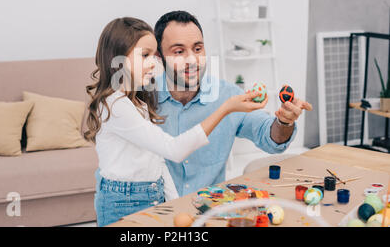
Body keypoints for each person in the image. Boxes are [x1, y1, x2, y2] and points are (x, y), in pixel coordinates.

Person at [85, 17, 268, 227]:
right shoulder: (116, 106)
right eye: (144, 55)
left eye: (154, 56)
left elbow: (159, 160)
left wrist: (176, 205)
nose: (154, 63)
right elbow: (173, 149)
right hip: (122, 203)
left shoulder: (138, 102)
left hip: (151, 195)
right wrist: (226, 108)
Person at [153, 10, 313, 197]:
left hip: (209, 207)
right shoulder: (142, 99)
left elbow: (270, 139)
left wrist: (284, 121)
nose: (192, 60)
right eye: (179, 52)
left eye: (198, 49)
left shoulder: (227, 95)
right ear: (158, 56)